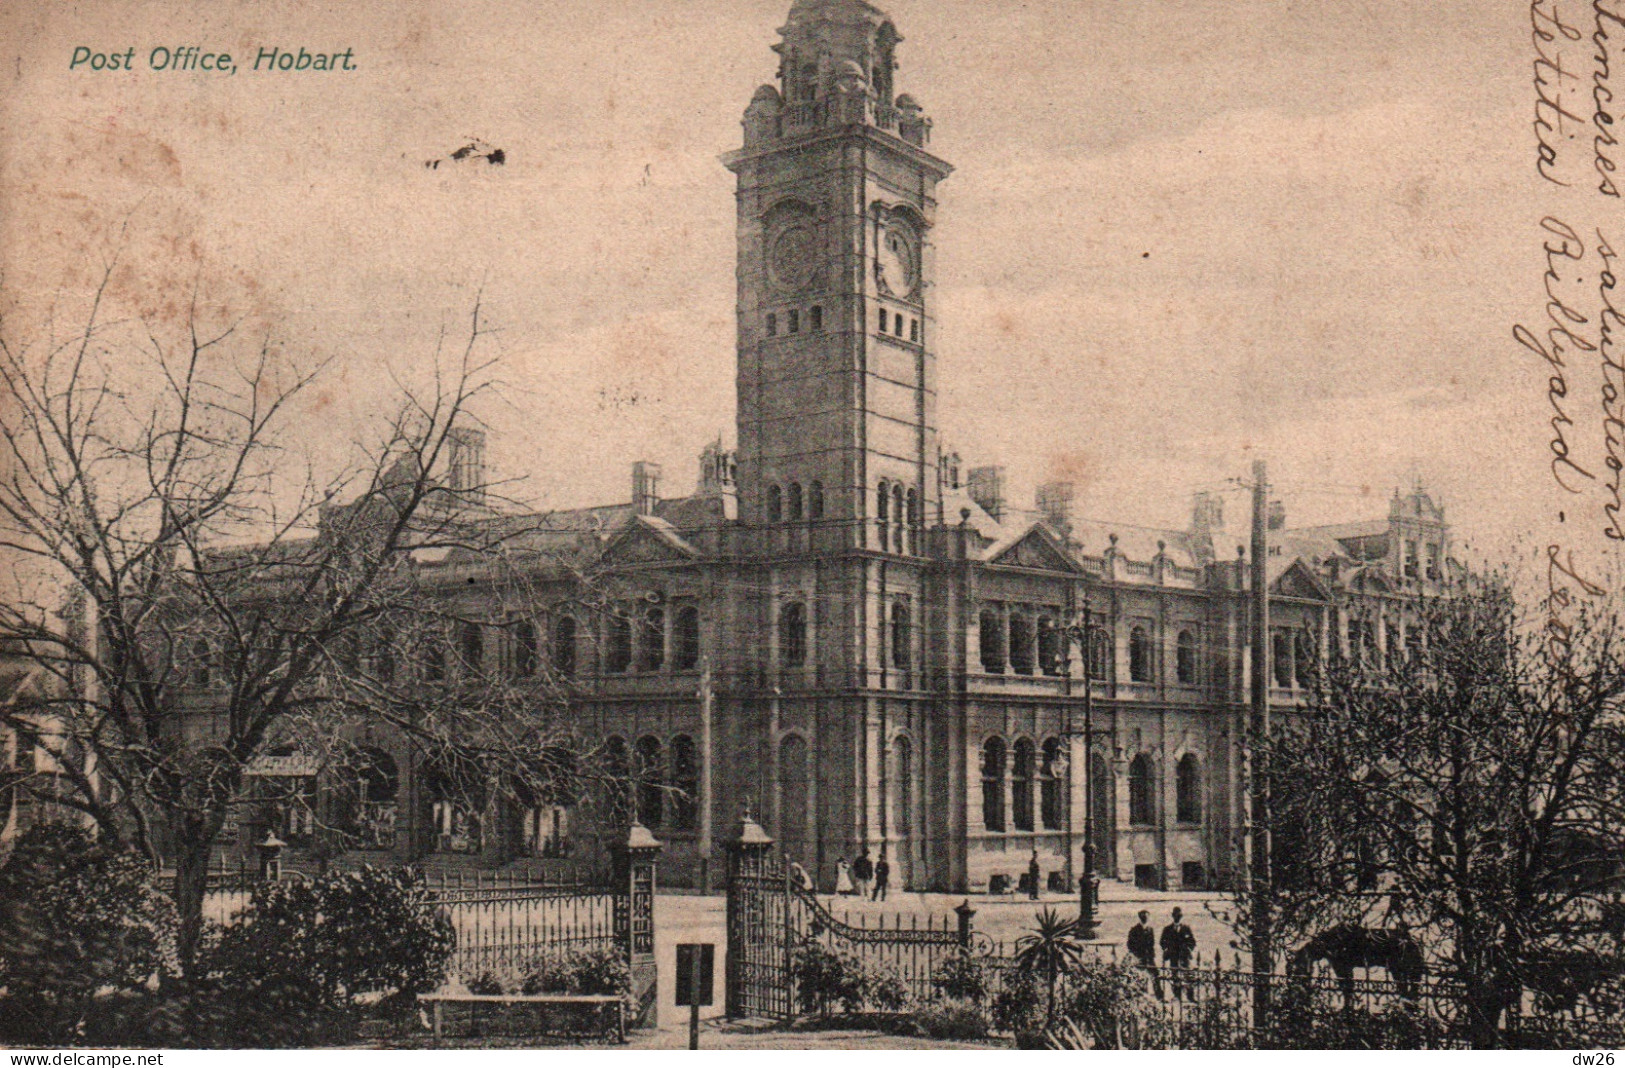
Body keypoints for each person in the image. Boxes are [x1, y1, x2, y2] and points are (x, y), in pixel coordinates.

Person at [1160, 906, 1197, 1001]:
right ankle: (1177, 996)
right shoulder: (1167, 929)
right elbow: (1162, 942)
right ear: (1172, 916)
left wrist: (1188, 949)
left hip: (1184, 956)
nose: (1178, 917)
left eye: (1179, 915)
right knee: (1175, 976)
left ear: (1182, 916)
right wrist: (1167, 949)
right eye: (1176, 915)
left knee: (1188, 976)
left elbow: (1192, 941)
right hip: (1174, 956)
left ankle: (1190, 996)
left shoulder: (1186, 928)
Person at [1127, 909, 1163, 999]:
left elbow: (1152, 943)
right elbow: (1130, 944)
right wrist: (1136, 954)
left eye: (1147, 917)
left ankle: (1159, 996)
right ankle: (1141, 994)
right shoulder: (1134, 930)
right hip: (1139, 956)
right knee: (1141, 976)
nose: (1145, 919)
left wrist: (1152, 954)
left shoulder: (1150, 929)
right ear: (1140, 918)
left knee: (1155, 974)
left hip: (1149, 957)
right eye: (1143, 917)